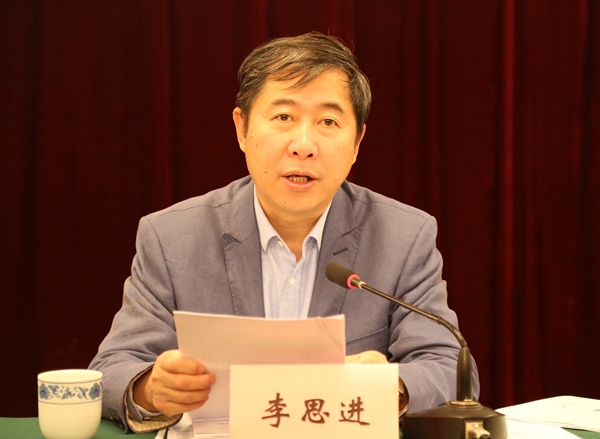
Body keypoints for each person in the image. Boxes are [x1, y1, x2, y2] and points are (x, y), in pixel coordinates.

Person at [89, 31, 479, 433]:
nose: (303, 145)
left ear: (357, 142)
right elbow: (112, 368)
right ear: (242, 129)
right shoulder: (171, 236)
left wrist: (390, 386)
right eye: (283, 117)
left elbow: (448, 367)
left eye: (328, 121)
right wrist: (151, 389)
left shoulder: (403, 236)